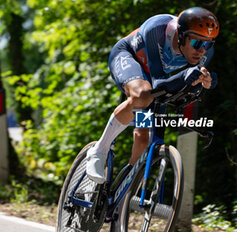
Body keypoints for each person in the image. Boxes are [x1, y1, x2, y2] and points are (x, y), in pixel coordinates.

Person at [86, 7, 220, 184]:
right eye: (197, 43)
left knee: (143, 139)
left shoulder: (205, 52)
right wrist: (185, 77)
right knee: (142, 95)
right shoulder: (157, 28)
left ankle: (121, 200)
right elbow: (157, 84)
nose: (202, 51)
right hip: (129, 58)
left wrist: (207, 82)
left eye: (208, 44)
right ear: (181, 36)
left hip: (155, 78)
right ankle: (99, 150)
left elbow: (186, 86)